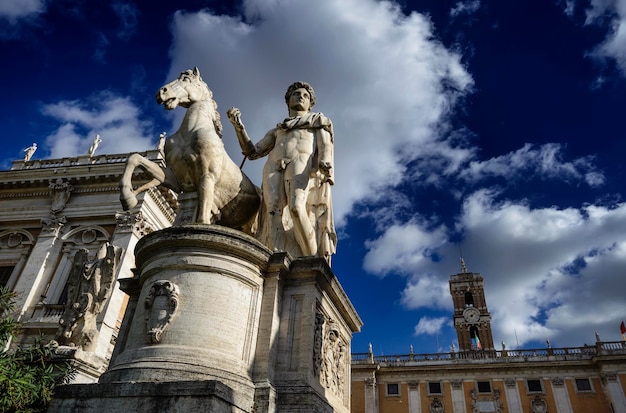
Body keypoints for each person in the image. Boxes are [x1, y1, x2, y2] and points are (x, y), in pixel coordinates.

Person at [227, 82, 336, 262]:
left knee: (296, 207)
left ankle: (311, 259)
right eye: (296, 94)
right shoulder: (278, 130)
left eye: (305, 96)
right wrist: (239, 128)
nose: (300, 97)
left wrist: (325, 162)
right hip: (273, 165)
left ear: (310, 104)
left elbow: (325, 146)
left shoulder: (317, 122)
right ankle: (274, 258)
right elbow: (252, 152)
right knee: (272, 212)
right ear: (288, 101)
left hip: (300, 164)